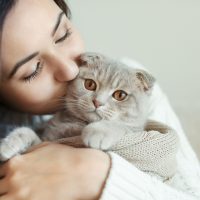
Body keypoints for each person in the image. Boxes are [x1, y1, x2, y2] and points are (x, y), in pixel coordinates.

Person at [0, 0, 199, 200]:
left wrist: (98, 175)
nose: (70, 70)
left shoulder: (132, 82)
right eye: (33, 70)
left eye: (62, 35)